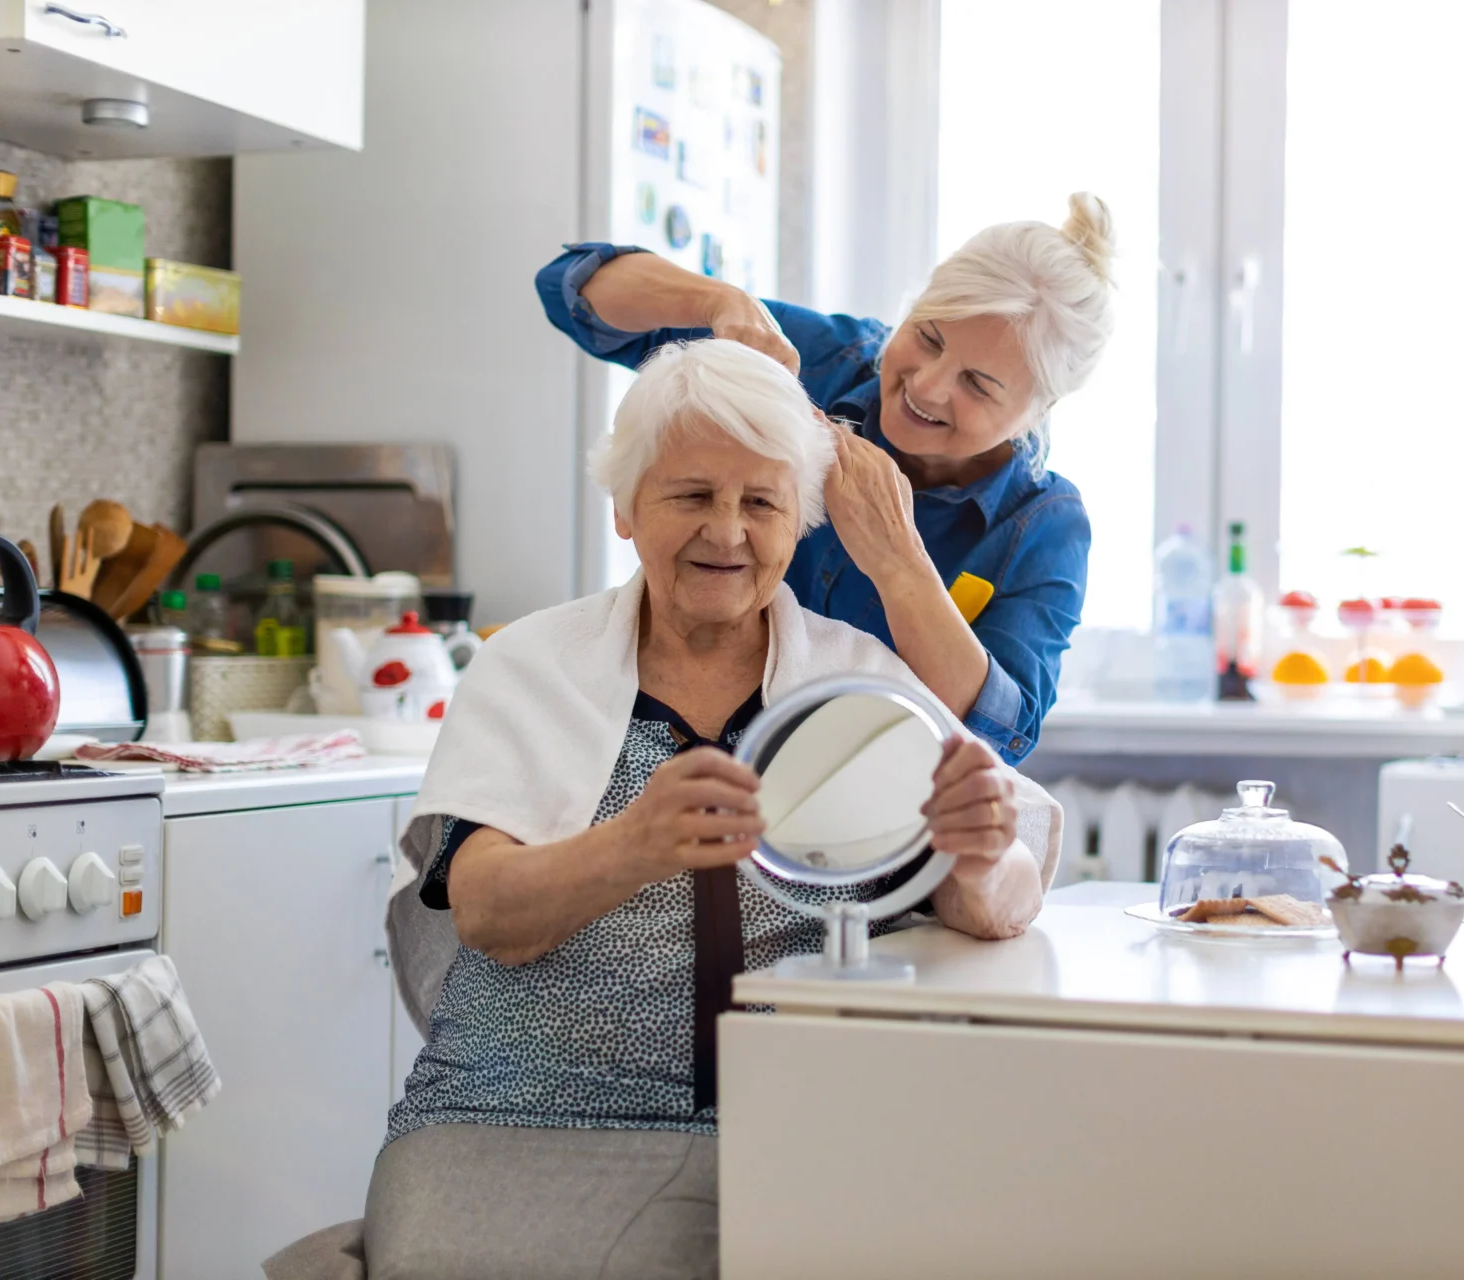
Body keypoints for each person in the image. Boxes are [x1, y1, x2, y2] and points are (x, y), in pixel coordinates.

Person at [263, 339, 1061, 1280]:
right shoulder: (531, 665)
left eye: (760, 503)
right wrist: (634, 844)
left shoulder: (859, 681)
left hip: (788, 1123)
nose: (727, 533)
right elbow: (484, 910)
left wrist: (976, 850)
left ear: (798, 522)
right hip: (517, 1114)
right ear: (627, 509)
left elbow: (993, 901)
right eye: (691, 496)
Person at [535, 194, 1118, 765]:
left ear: (1040, 410)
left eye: (978, 384)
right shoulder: (816, 359)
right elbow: (568, 289)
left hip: (864, 806)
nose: (928, 386)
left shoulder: (1044, 525)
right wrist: (717, 302)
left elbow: (999, 735)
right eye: (928, 338)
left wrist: (899, 562)